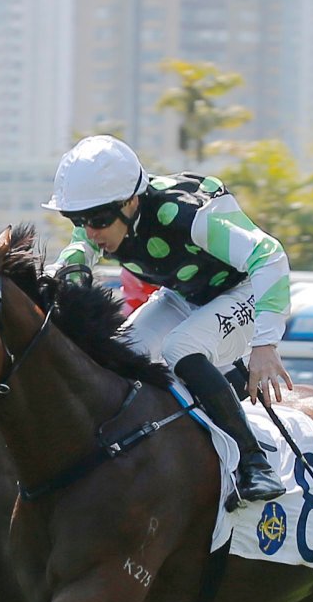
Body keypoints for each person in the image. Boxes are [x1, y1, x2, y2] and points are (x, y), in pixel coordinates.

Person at [45, 133, 291, 505]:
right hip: (184, 294)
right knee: (119, 355)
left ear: (130, 201)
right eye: (77, 219)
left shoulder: (189, 217)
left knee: (181, 347)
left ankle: (255, 463)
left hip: (245, 292)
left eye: (96, 219)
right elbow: (76, 256)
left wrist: (265, 344)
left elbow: (270, 256)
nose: (91, 231)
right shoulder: (103, 214)